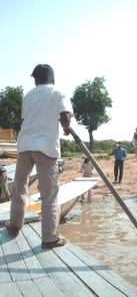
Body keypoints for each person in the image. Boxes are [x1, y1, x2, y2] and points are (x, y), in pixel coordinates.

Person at [5, 64, 74, 248]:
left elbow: (28, 118)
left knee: (20, 188)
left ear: (36, 79)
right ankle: (50, 237)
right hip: (46, 147)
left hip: (25, 145)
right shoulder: (58, 93)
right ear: (53, 78)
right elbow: (65, 116)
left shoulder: (28, 95)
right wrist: (66, 129)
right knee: (49, 194)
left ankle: (14, 225)